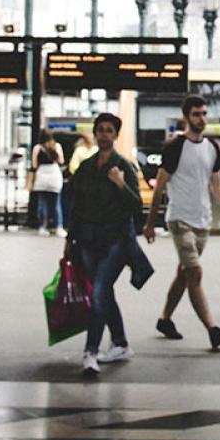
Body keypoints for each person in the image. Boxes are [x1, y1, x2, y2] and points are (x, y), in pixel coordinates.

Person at [145, 94, 220, 349]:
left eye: (204, 113)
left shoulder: (212, 148)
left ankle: (165, 319)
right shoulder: (175, 147)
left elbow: (216, 184)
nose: (202, 118)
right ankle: (212, 329)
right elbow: (160, 187)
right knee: (195, 271)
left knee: (184, 274)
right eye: (197, 114)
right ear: (186, 117)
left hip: (202, 221)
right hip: (179, 219)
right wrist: (150, 222)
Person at [67, 112, 143, 377]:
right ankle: (120, 342)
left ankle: (90, 351)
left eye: (109, 130)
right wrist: (69, 240)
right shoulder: (87, 167)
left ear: (116, 135)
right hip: (88, 239)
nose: (104, 135)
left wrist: (121, 184)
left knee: (99, 291)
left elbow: (136, 206)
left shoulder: (123, 166)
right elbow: (76, 205)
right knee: (103, 293)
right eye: (100, 130)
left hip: (115, 240)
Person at [31, 129, 66, 237]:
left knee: (42, 203)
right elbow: (61, 161)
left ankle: (42, 226)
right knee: (56, 204)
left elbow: (34, 165)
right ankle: (58, 227)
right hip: (54, 175)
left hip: (42, 176)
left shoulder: (37, 148)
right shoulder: (57, 146)